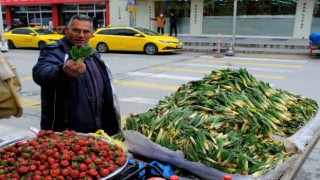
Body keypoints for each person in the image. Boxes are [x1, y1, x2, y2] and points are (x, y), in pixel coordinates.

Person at [32, 14, 121, 136]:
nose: (81, 35)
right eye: (76, 30)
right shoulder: (53, 52)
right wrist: (63, 72)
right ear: (67, 30)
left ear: (92, 33)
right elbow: (40, 74)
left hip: (98, 130)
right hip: (66, 134)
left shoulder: (93, 54)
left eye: (86, 31)